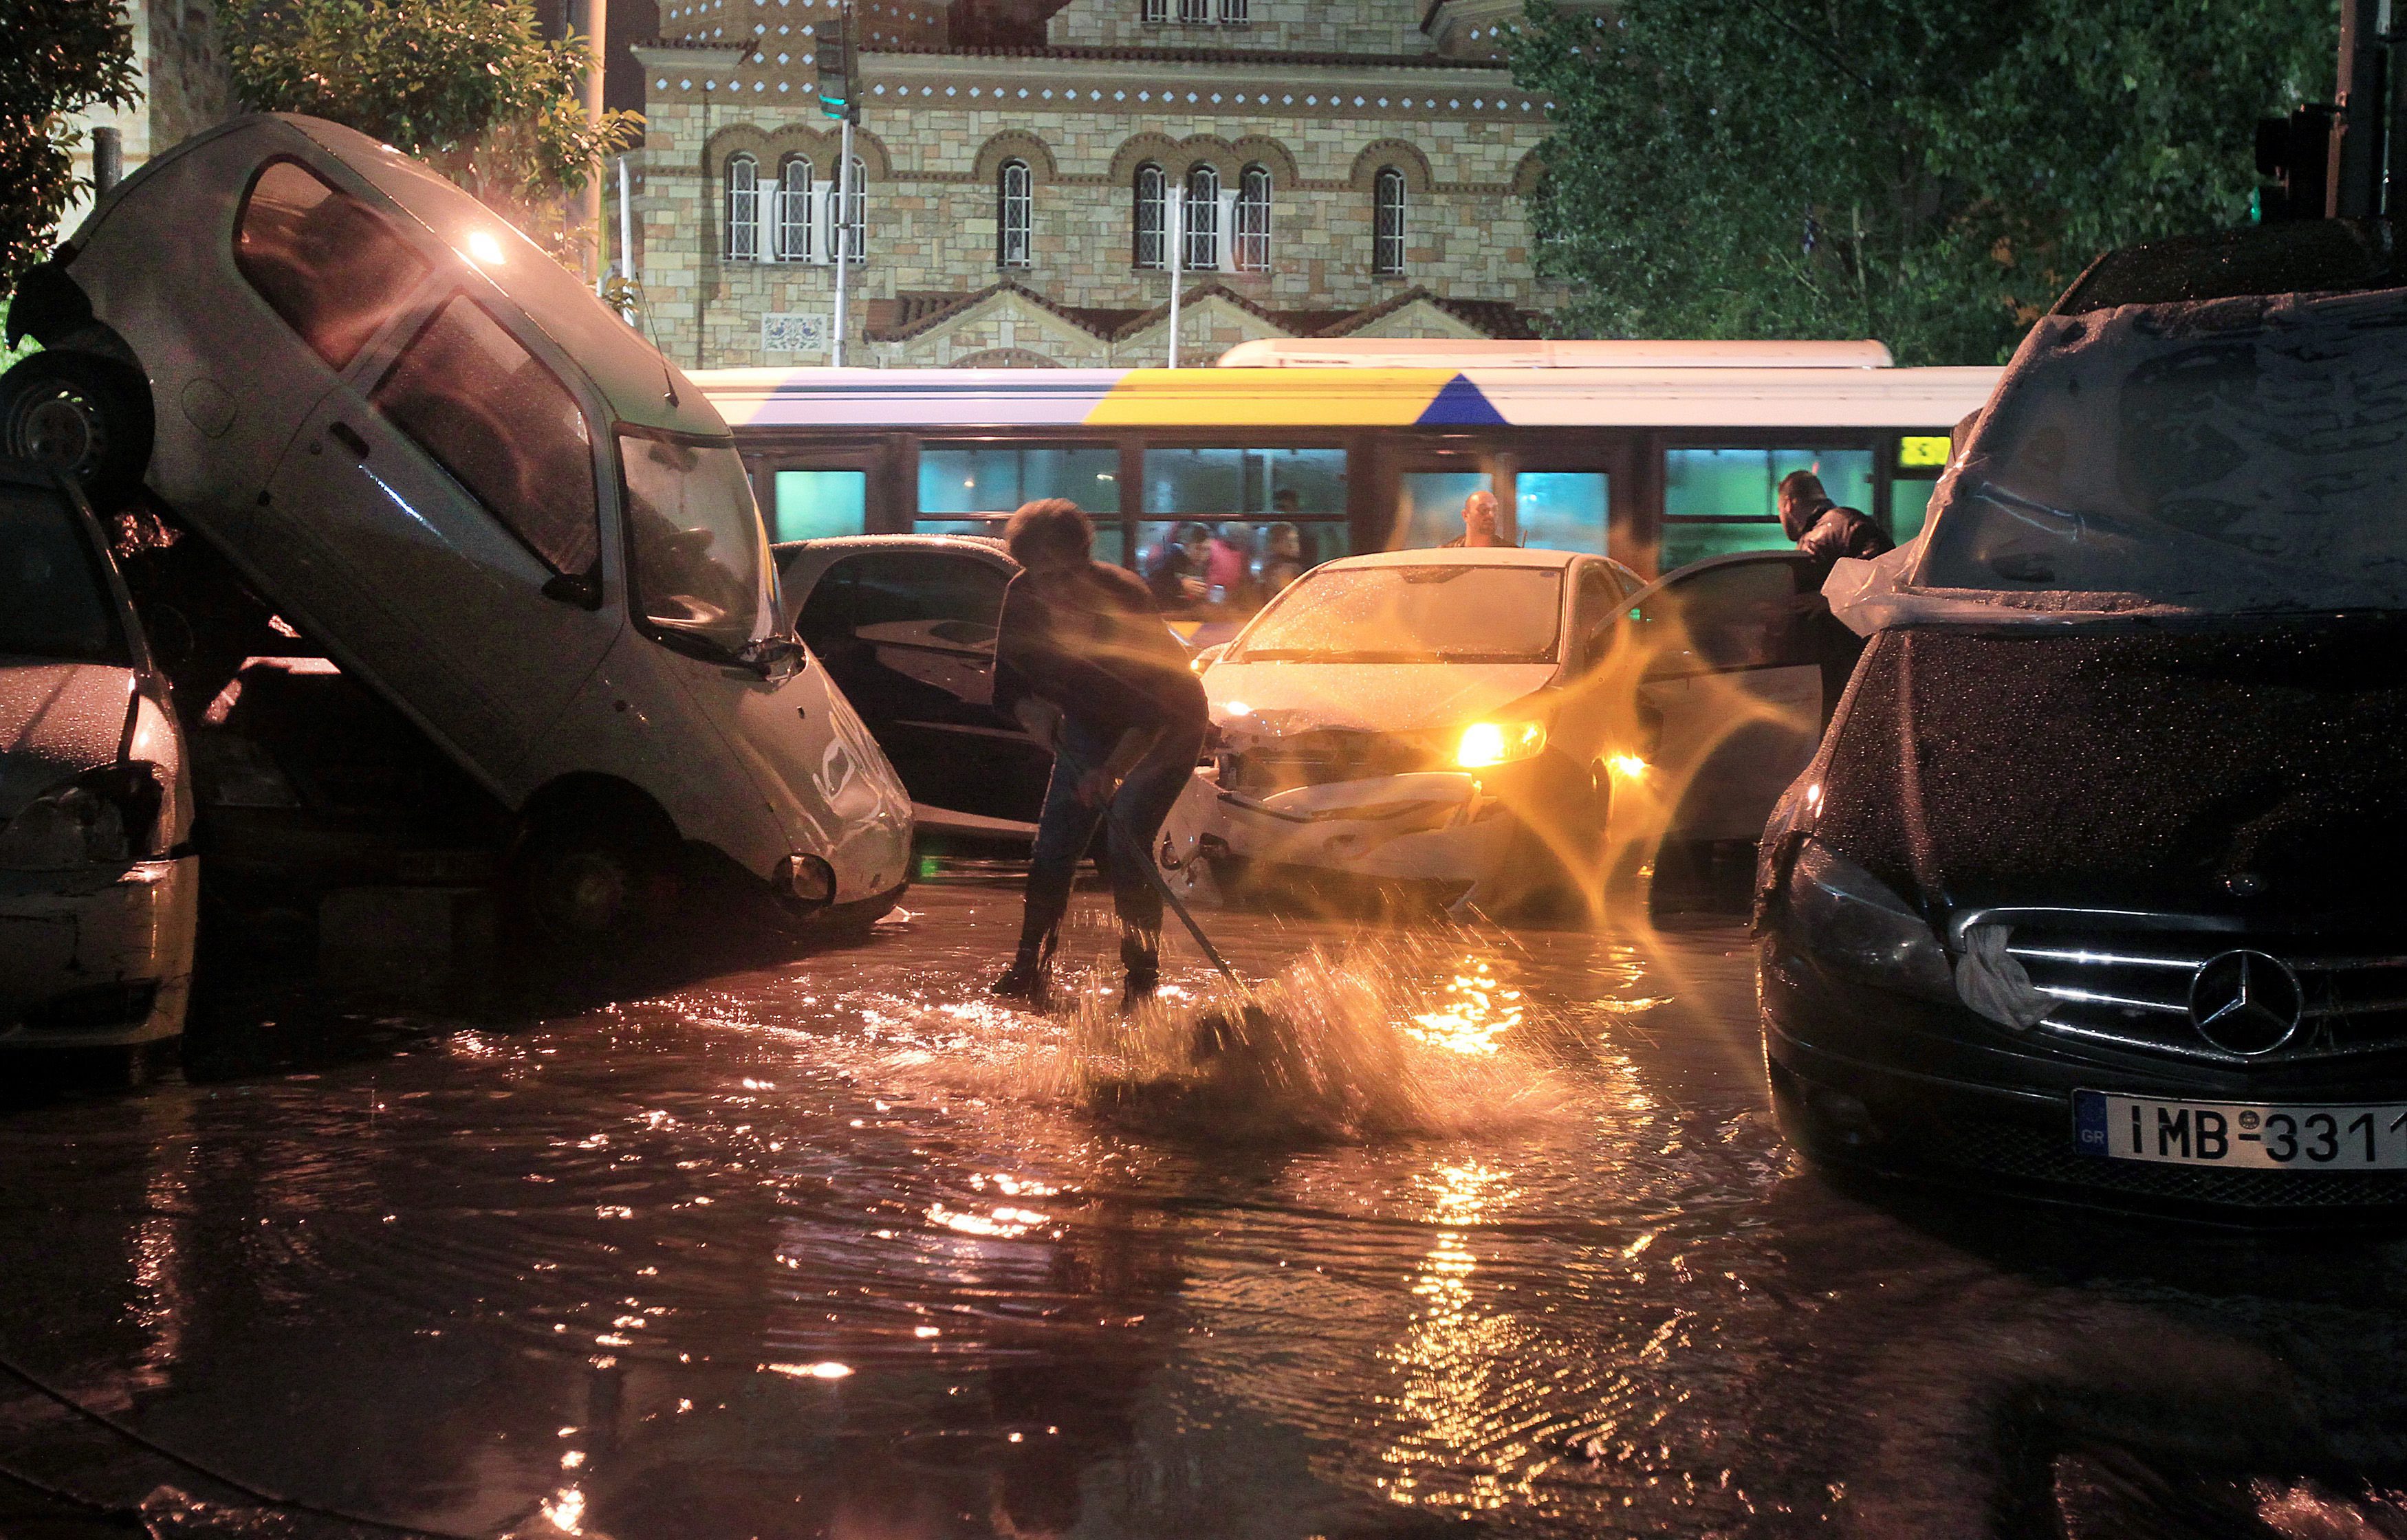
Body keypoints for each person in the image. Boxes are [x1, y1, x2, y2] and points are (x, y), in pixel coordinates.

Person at [990, 498, 1210, 1011]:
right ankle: (1030, 966)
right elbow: (1006, 686)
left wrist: (1112, 772)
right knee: (1054, 845)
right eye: (1041, 577)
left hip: (1167, 724)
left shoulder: (1123, 600)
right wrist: (1032, 713)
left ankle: (1141, 981)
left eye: (1065, 576)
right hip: (1089, 724)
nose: (1054, 592)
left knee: (1125, 842)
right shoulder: (1022, 596)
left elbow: (1151, 709)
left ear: (1084, 561)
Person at [1777, 470, 1892, 574]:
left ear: (1789, 504)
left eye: (1779, 509)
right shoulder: (1849, 518)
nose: (1780, 517)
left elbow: (1807, 592)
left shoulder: (1813, 541)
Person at [1143, 521, 1210, 608]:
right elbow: (1151, 586)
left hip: (1189, 613)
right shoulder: (1167, 558)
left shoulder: (1204, 564)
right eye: (1198, 548)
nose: (1202, 555)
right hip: (1166, 613)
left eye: (1206, 549)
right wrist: (1180, 585)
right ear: (1186, 545)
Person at [1441, 488, 1516, 548]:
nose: (1491, 515)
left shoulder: (1512, 554)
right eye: (1483, 510)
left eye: (1495, 510)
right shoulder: (1447, 554)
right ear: (1465, 515)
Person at [1254, 521, 1307, 595]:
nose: (1293, 545)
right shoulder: (1287, 570)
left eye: (1295, 540)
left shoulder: (1266, 570)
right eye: (1289, 540)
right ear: (1275, 543)